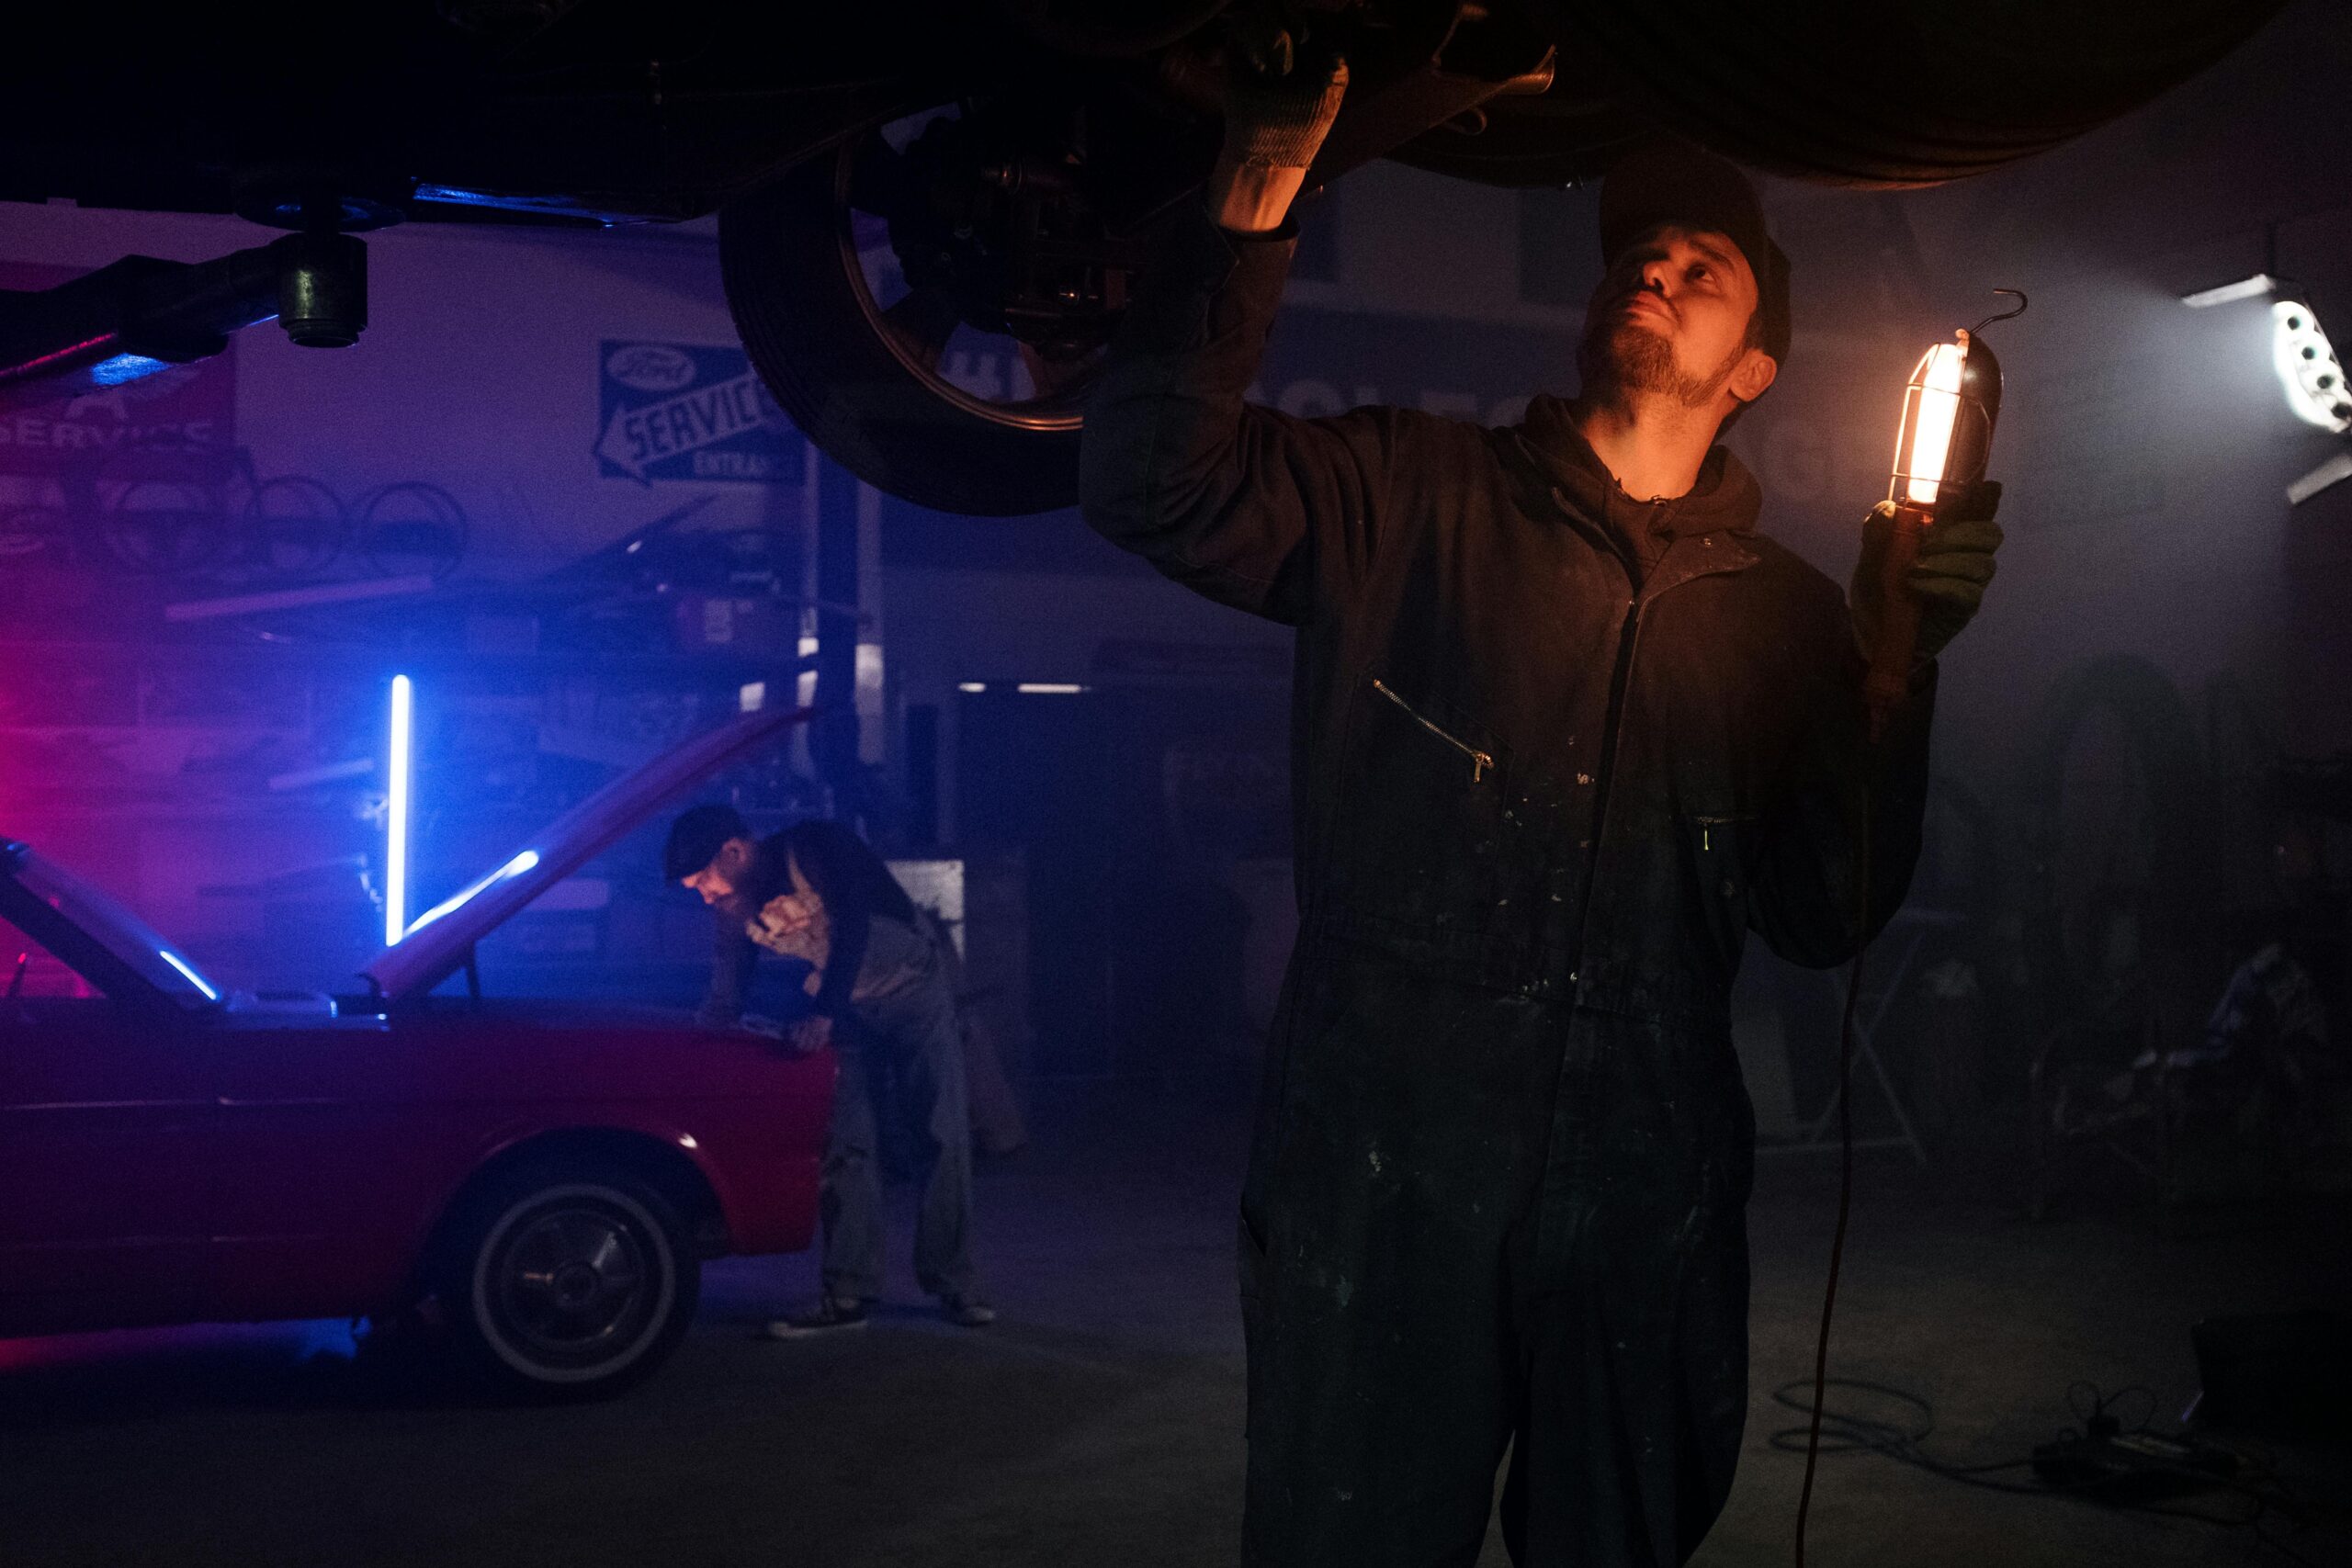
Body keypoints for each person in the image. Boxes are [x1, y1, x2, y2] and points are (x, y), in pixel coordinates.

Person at [1078, 50, 2004, 1568]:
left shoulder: (1782, 619)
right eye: (1641, 246)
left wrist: (1900, 677)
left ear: (1754, 366)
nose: (1660, 258)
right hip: (1385, 1177)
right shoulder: (1407, 496)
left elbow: (1823, 908)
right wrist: (1253, 192)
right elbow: (1149, 484)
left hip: (1648, 1194)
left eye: (1707, 262)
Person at [665, 804, 994, 1334]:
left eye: (704, 878)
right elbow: (731, 974)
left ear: (735, 850)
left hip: (913, 991)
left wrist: (822, 1014)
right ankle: (847, 1294)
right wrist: (709, 1030)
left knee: (941, 1134)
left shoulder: (817, 847)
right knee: (846, 1146)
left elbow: (855, 929)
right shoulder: (734, 906)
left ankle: (955, 1283)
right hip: (846, 1008)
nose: (705, 893)